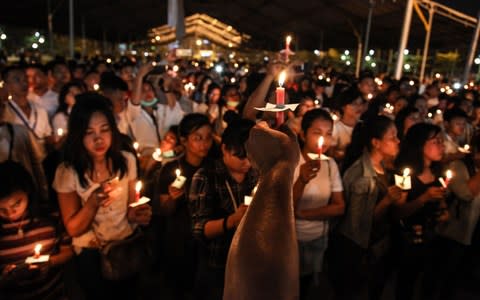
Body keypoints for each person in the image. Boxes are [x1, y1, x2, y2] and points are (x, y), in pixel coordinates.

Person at [52, 93, 151, 299]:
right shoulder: (67, 172)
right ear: (78, 135)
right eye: (89, 132)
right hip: (92, 254)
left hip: (125, 246)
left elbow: (131, 210)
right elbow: (73, 229)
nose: (99, 139)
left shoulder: (126, 161)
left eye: (105, 130)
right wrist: (92, 203)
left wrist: (140, 213)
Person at [330, 115, 404, 300]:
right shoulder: (362, 177)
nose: (398, 141)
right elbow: (358, 225)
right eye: (392, 137)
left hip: (378, 245)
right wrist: (387, 200)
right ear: (376, 143)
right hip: (359, 250)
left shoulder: (383, 167)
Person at [189, 118, 257, 300]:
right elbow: (199, 229)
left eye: (252, 156)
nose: (247, 163)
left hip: (249, 259)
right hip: (218, 262)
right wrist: (233, 220)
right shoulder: (206, 176)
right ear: (225, 149)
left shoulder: (256, 174)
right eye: (241, 156)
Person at [154, 113, 214, 300]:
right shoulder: (170, 169)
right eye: (197, 138)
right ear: (184, 141)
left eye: (208, 137)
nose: (204, 143)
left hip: (207, 240)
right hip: (179, 241)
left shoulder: (214, 167)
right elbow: (163, 210)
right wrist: (172, 198)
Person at [0, 160, 73, 300]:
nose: (10, 213)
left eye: (17, 203)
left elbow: (68, 252)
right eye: (1, 209)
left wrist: (50, 262)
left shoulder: (50, 217)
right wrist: (5, 278)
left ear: (28, 191)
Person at [292, 109, 345, 300]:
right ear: (302, 134)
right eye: (317, 132)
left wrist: (306, 214)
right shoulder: (291, 164)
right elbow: (286, 207)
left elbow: (340, 206)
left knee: (307, 286)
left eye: (328, 133)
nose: (323, 139)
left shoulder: (330, 165)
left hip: (318, 238)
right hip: (292, 239)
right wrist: (302, 180)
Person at [394, 122, 449, 300]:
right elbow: (398, 212)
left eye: (442, 141)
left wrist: (443, 211)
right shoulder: (405, 175)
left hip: (433, 237)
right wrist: (424, 198)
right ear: (419, 144)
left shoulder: (437, 172)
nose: (442, 146)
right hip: (409, 240)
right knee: (406, 284)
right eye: (436, 142)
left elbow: (441, 203)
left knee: (431, 283)